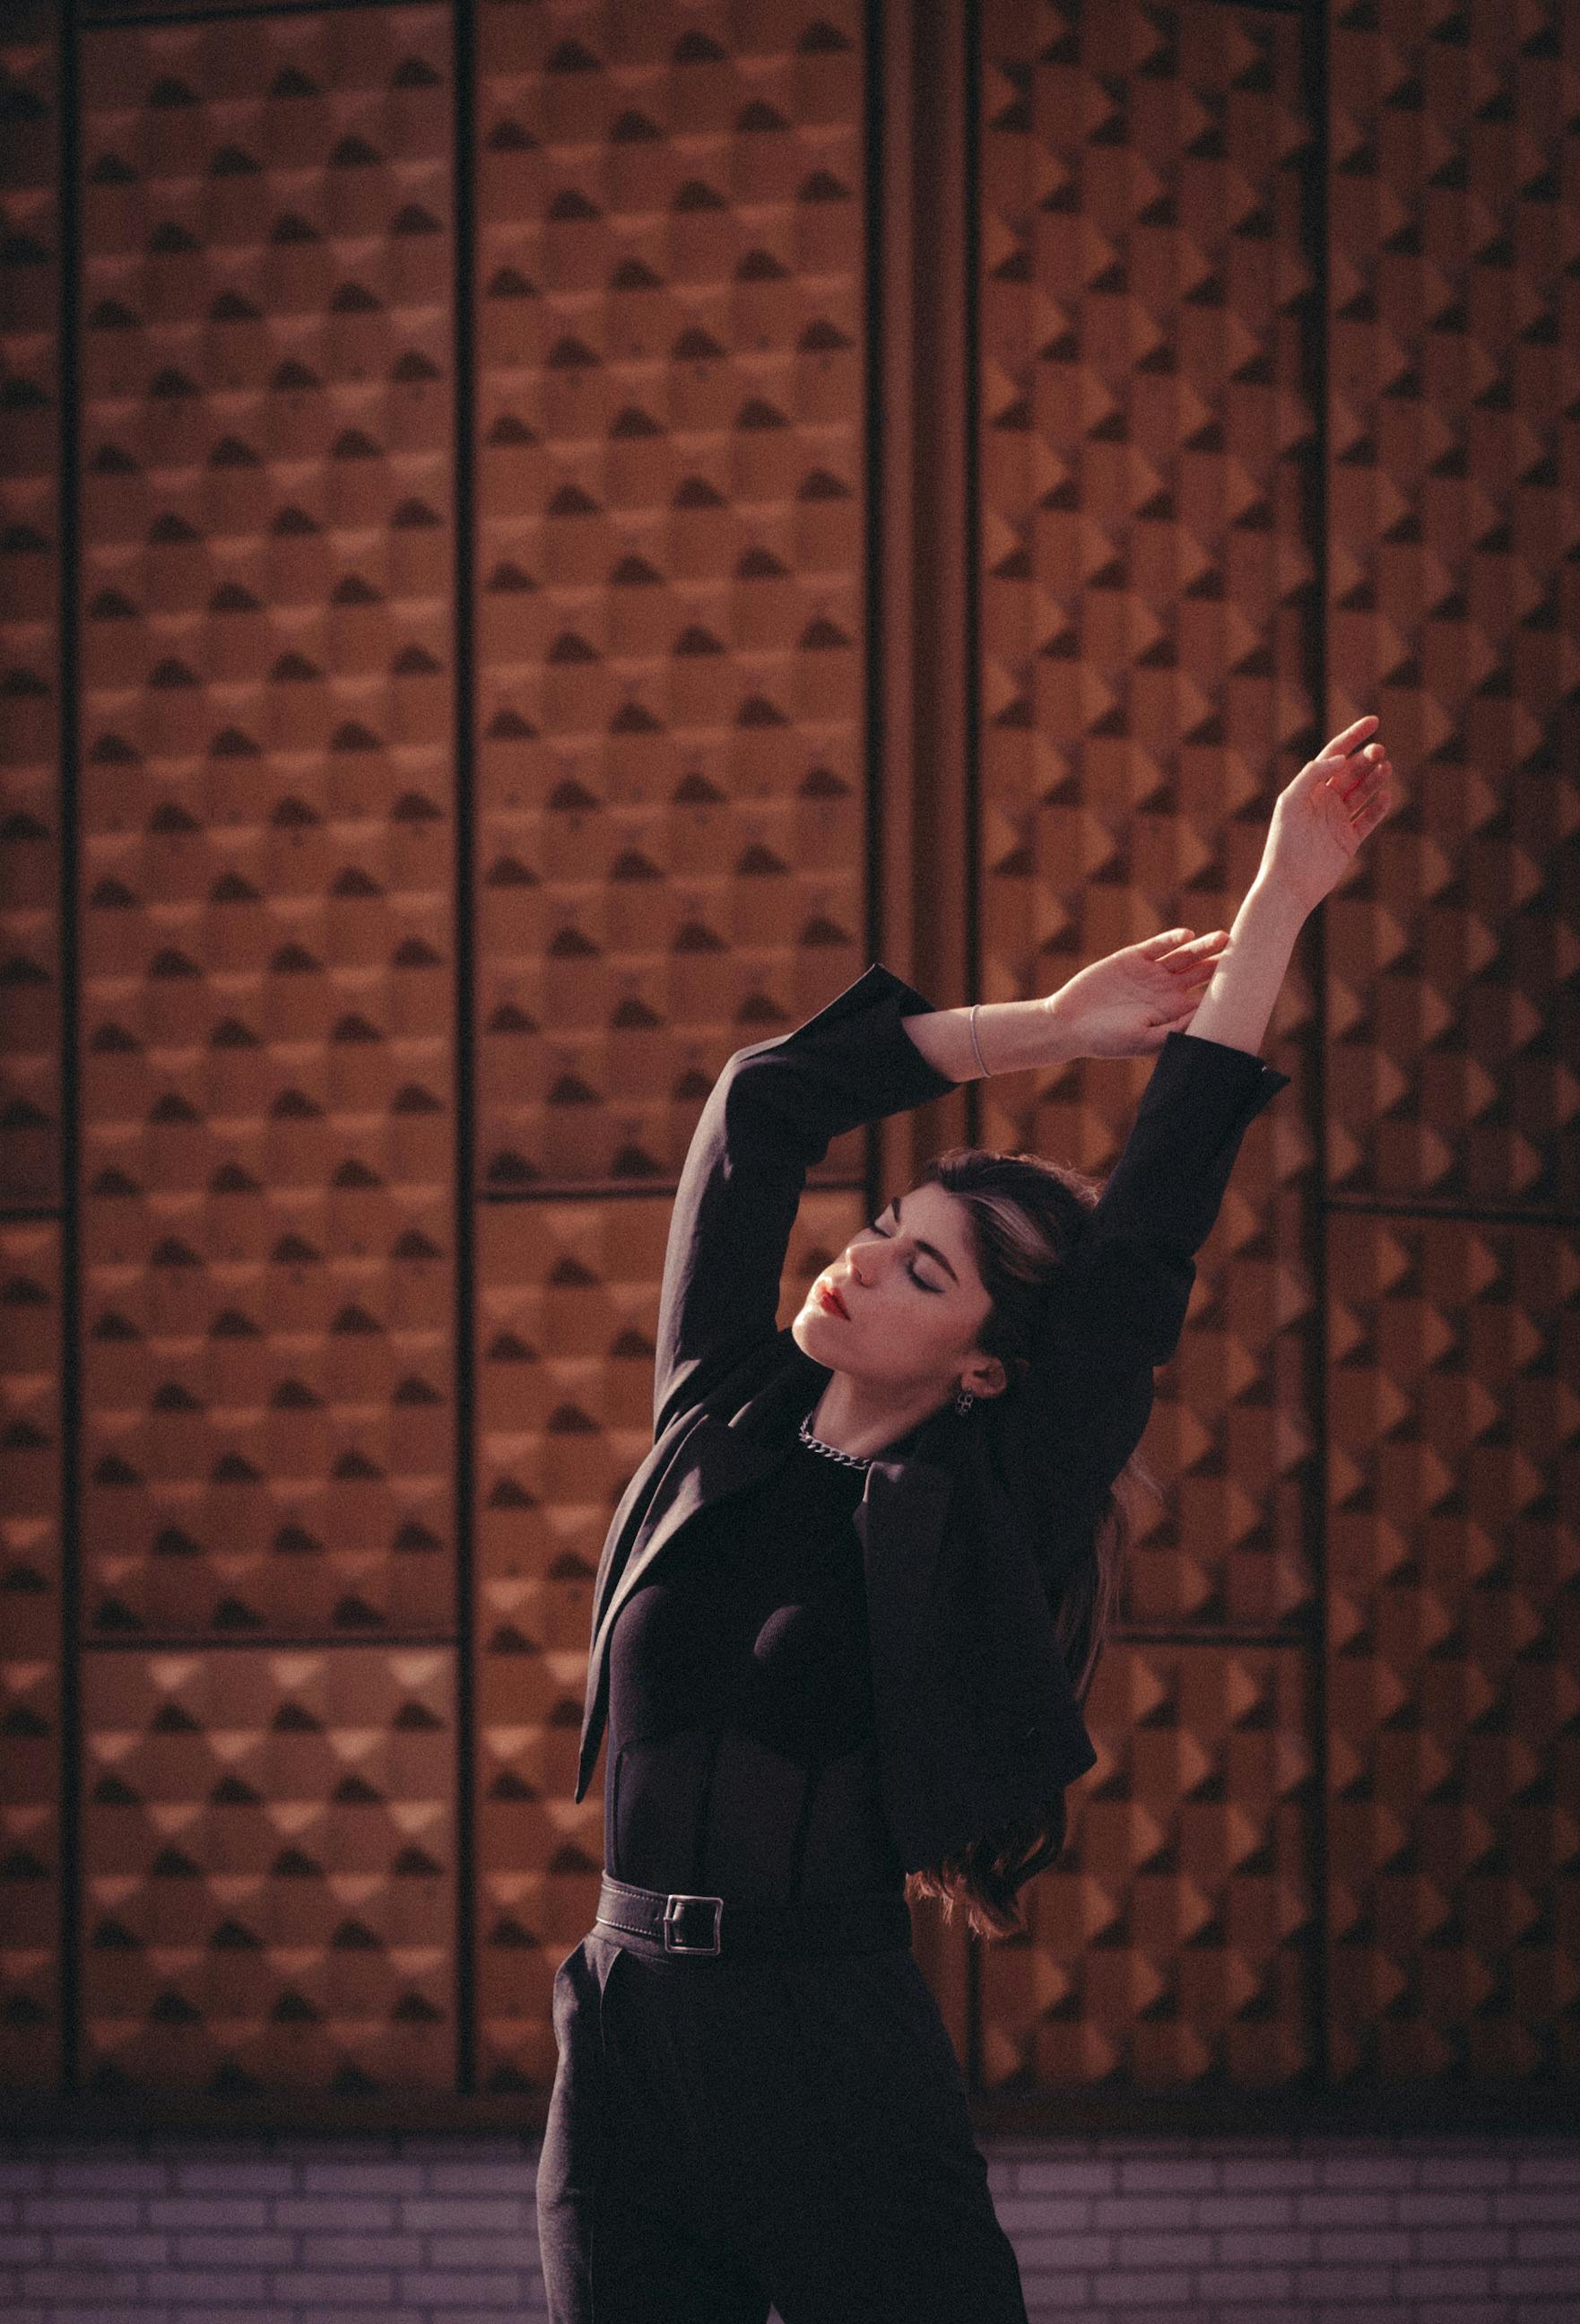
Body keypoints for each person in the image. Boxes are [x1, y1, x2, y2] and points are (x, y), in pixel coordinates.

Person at [536, 718, 1394, 2322]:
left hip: (831, 2049)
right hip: (623, 2037)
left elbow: (1149, 1233)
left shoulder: (988, 1496)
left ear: (990, 1366)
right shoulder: (715, 1412)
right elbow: (756, 1109)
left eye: (920, 1270)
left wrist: (1277, 898)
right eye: (880, 1227)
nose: (859, 1260)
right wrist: (1050, 1030)